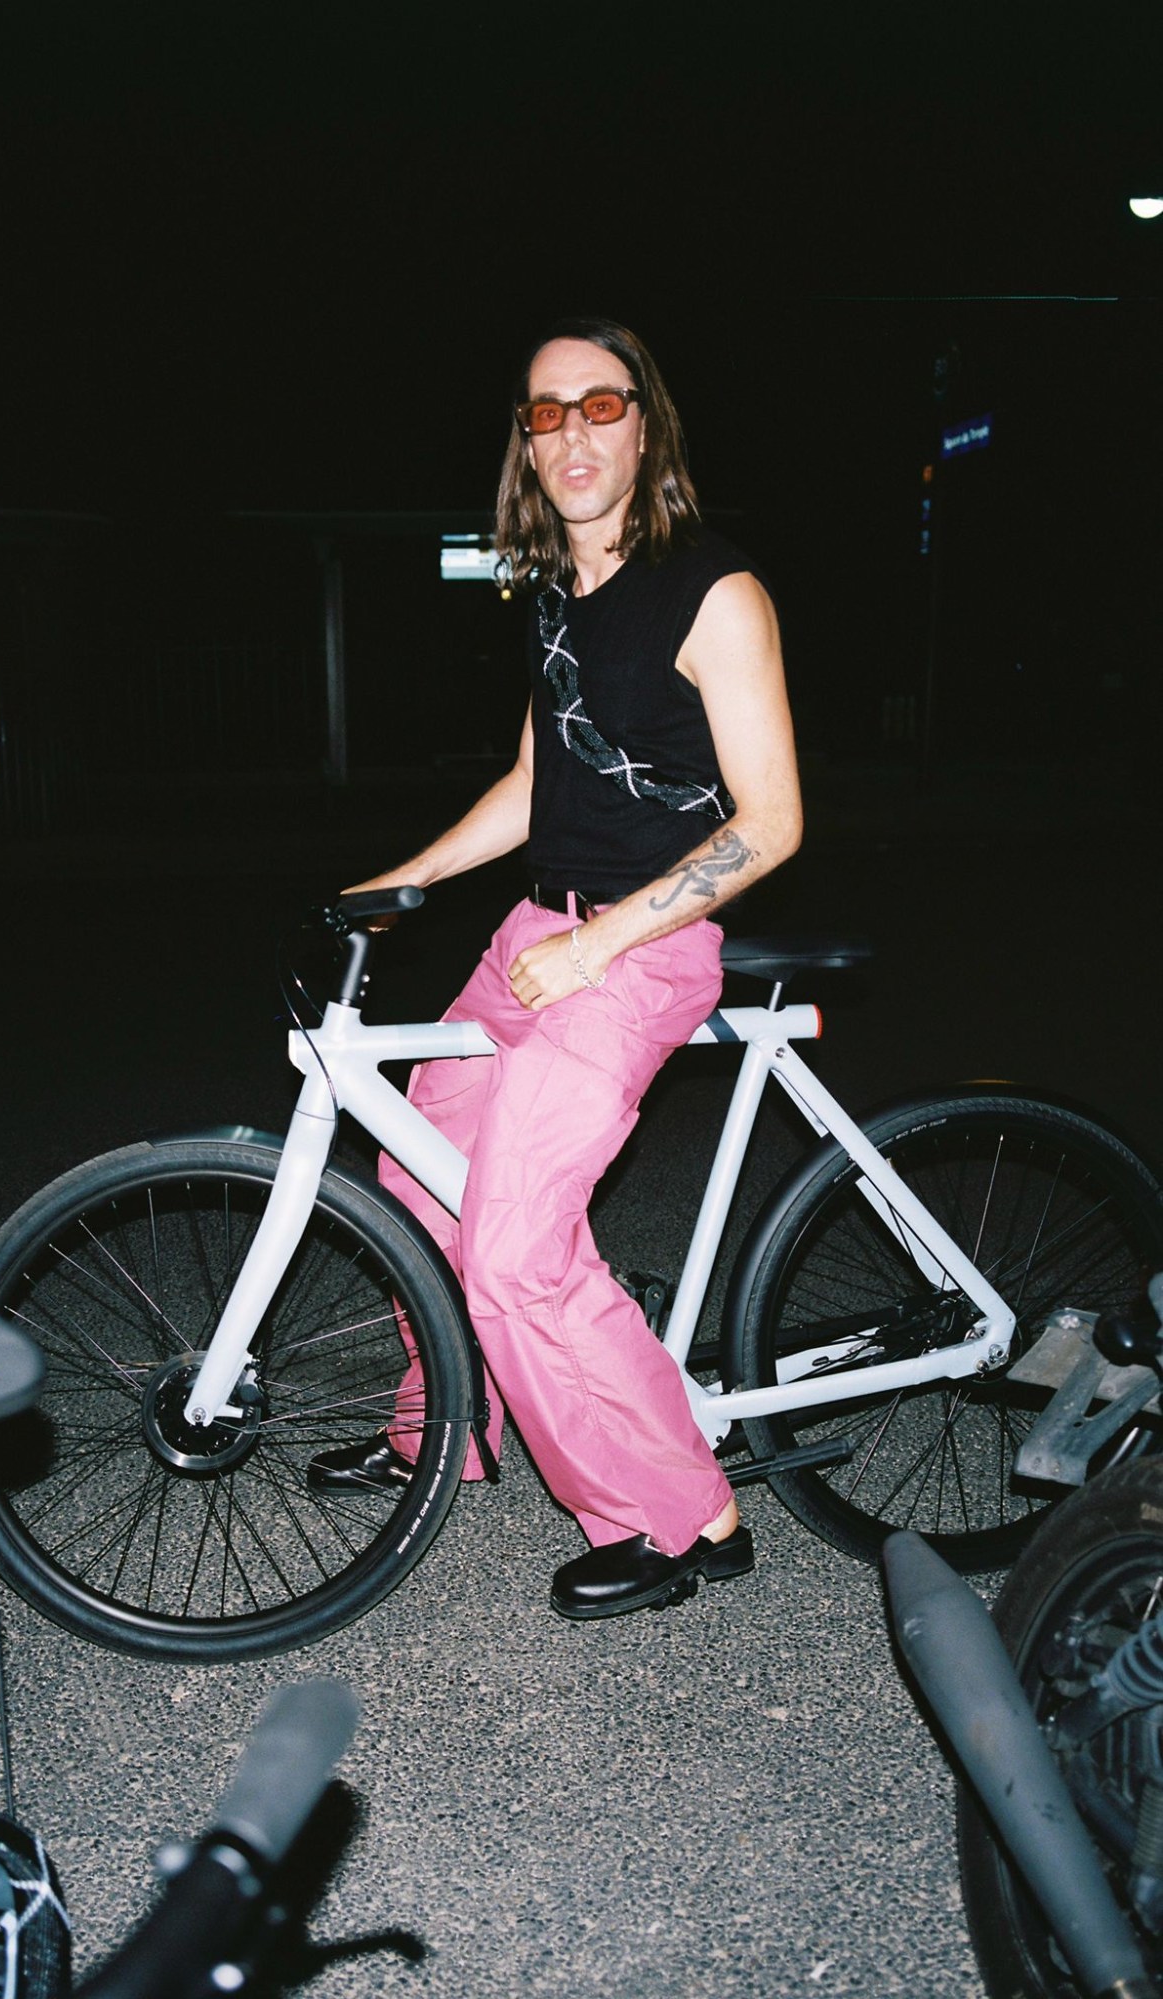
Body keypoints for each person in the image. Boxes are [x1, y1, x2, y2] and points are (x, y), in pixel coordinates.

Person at [309, 316, 802, 1620]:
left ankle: (688, 1518)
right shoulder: (554, 595)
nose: (573, 431)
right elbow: (536, 788)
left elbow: (770, 824)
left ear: (647, 427)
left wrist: (601, 939)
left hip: (637, 953)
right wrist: (400, 883)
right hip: (535, 938)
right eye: (546, 412)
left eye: (600, 405)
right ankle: (441, 1436)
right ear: (526, 444)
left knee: (518, 1251)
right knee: (417, 1179)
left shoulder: (715, 592)